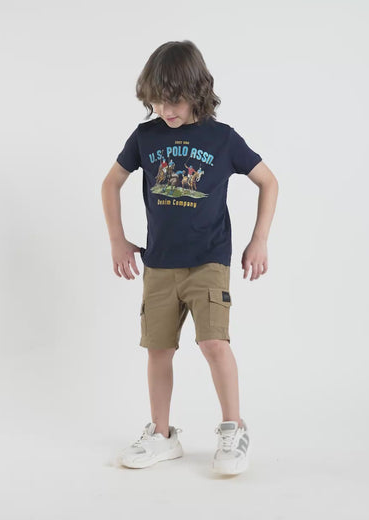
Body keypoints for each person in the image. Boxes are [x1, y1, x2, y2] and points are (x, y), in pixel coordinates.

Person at [101, 40, 278, 475]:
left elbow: (269, 181)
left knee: (213, 343)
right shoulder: (145, 137)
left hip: (208, 261)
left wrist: (259, 240)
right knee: (158, 349)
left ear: (197, 91)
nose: (165, 110)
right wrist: (117, 240)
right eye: (156, 101)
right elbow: (111, 183)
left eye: (174, 100)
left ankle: (234, 429)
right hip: (159, 264)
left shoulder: (223, 138)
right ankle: (162, 435)